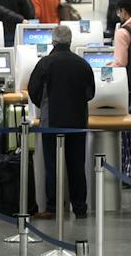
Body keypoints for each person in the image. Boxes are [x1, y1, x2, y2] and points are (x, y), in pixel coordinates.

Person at [29, 24, 94, 218]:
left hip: (52, 122)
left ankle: (52, 207)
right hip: (78, 122)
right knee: (76, 166)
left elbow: (33, 90)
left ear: (53, 41)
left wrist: (44, 103)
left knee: (53, 166)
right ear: (71, 41)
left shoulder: (45, 63)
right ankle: (80, 208)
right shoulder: (82, 64)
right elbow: (90, 93)